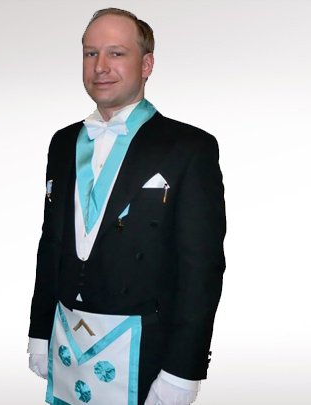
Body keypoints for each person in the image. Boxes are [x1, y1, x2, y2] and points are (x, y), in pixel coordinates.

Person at [27, 8, 226, 405]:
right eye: (91, 53)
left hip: (146, 350)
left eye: (116, 53)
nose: (100, 66)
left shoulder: (189, 147)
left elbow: (201, 268)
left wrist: (184, 369)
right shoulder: (62, 142)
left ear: (146, 64)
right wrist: (39, 330)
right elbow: (51, 243)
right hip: (67, 342)